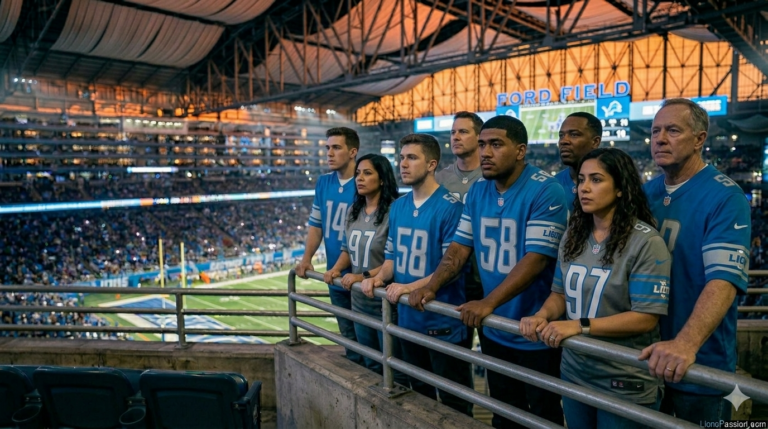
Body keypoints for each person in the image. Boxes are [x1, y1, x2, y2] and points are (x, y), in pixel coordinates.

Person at [409, 115, 567, 428]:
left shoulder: (546, 190)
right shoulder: (480, 190)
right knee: (504, 413)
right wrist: (433, 286)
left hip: (534, 328)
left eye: (496, 144)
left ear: (520, 151)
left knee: (541, 415)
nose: (486, 152)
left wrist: (488, 302)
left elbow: (536, 259)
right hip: (494, 328)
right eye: (482, 144)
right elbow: (459, 248)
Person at [520, 148, 670, 429]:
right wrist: (543, 315)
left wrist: (578, 326)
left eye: (597, 180)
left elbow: (646, 316)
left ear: (620, 189)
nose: (584, 188)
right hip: (575, 371)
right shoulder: (573, 236)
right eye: (582, 180)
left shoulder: (646, 242)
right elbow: (560, 294)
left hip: (623, 377)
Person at [639, 98, 751, 423]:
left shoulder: (725, 197)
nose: (660, 139)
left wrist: (685, 343)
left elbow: (724, 280)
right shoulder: (645, 192)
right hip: (645, 356)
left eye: (673, 130)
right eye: (655, 131)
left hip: (697, 361)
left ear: (699, 139)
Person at [360, 133, 473, 416]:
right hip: (408, 320)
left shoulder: (452, 207)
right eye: (401, 158)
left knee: (455, 403)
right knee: (418, 398)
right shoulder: (398, 207)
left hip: (442, 321)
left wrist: (409, 286)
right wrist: (379, 277)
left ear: (432, 163)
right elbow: (392, 259)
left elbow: (449, 267)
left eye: (412, 158)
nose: (403, 164)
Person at [323, 154, 405, 382]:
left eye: (367, 173)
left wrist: (361, 275)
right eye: (358, 173)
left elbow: (395, 257)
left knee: (394, 368)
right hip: (359, 302)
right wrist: (336, 269)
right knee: (370, 365)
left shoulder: (394, 211)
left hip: (384, 302)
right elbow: (346, 249)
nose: (360, 178)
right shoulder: (353, 211)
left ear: (382, 179)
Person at [295, 127, 361, 364]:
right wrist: (306, 258)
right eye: (327, 148)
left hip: (362, 276)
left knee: (370, 341)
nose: (329, 153)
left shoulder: (365, 181)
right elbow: (316, 224)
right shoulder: (323, 183)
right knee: (348, 339)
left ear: (353, 151)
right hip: (334, 275)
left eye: (336, 148)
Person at [435, 111, 485, 334]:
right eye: (453, 132)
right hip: (449, 276)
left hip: (485, 277)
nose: (455, 137)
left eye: (463, 132)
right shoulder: (439, 179)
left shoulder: (494, 175)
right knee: (454, 350)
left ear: (479, 136)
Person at [555, 112, 602, 211]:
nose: (564, 141)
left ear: (595, 142)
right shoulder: (552, 185)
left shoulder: (615, 184)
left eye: (574, 135)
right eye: (561, 135)